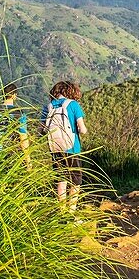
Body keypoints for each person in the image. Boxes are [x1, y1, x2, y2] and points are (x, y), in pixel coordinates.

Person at [41, 80, 87, 210]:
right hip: (72, 148)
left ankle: (61, 212)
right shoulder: (73, 105)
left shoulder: (48, 107)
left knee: (61, 180)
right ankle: (71, 211)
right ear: (70, 91)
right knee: (76, 181)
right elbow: (82, 129)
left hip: (55, 148)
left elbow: (41, 130)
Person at [0, 82, 30, 167]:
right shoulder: (19, 113)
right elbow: (23, 137)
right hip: (11, 155)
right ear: (14, 95)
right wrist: (28, 160)